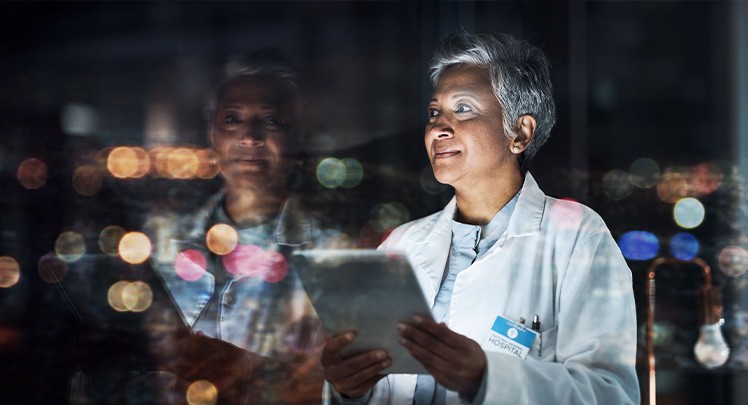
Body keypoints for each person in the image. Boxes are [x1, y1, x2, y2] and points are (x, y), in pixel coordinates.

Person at [321, 32, 639, 404]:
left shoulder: (577, 238)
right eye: (434, 112)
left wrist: (486, 377)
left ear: (520, 133)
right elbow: (383, 386)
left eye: (464, 109)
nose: (439, 126)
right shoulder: (400, 244)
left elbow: (610, 394)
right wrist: (350, 388)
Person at [143, 49, 340, 403]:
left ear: (296, 138)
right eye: (232, 120)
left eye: (271, 121)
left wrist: (243, 371)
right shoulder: (161, 243)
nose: (249, 138)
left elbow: (344, 387)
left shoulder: (334, 254)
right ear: (212, 134)